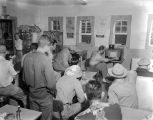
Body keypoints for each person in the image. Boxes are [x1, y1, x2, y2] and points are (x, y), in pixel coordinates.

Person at [22, 35, 57, 120]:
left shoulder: (27, 57)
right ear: (47, 46)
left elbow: (23, 79)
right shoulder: (45, 59)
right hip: (44, 95)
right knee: (46, 118)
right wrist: (54, 92)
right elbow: (51, 84)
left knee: (35, 117)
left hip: (31, 93)